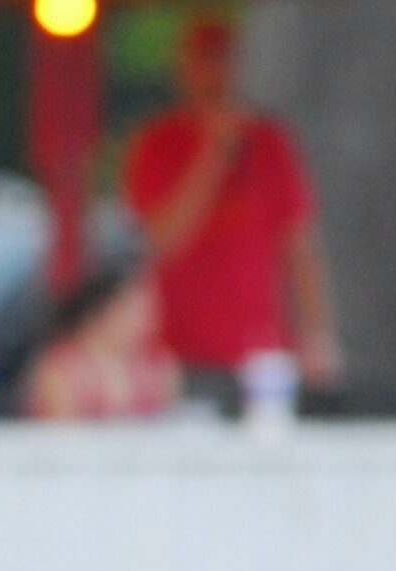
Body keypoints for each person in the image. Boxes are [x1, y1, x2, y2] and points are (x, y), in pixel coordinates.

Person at [121, 16, 338, 410]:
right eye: (204, 61)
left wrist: (317, 335)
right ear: (184, 68)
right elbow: (159, 242)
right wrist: (212, 157)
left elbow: (299, 247)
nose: (214, 74)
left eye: (223, 61)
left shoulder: (270, 142)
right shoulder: (157, 144)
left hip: (261, 355)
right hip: (178, 353)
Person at [20, 268, 181, 421]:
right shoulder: (61, 369)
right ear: (104, 310)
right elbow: (59, 438)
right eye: (136, 309)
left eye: (150, 309)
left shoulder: (160, 366)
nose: (149, 318)